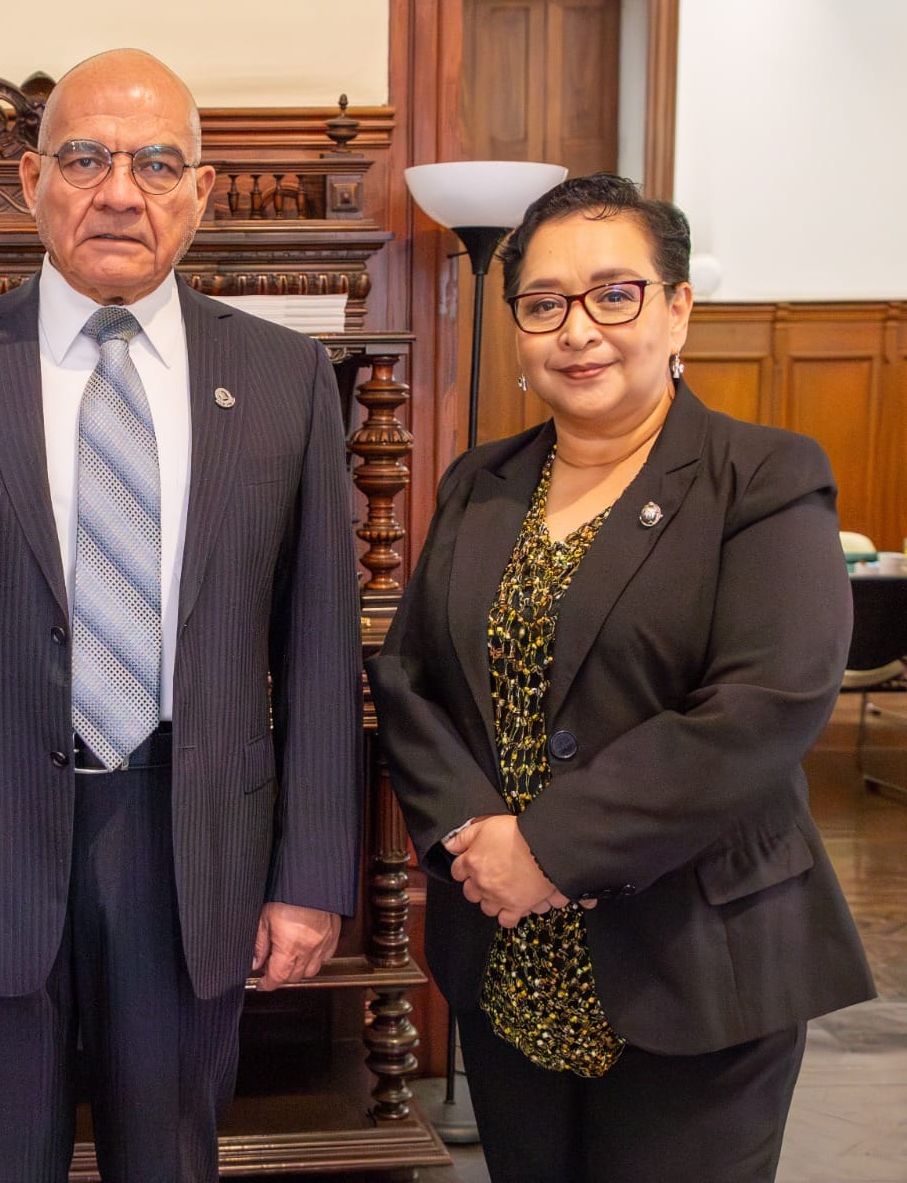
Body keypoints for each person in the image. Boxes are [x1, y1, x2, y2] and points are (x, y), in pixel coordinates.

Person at [0, 48, 362, 1183]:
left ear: (201, 193)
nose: (122, 190)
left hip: (194, 846)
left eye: (159, 162)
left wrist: (312, 870)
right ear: (30, 181)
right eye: (86, 158)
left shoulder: (281, 377)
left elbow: (317, 651)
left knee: (169, 1159)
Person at [368, 173, 874, 1182]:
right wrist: (473, 834)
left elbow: (763, 706)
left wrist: (549, 849)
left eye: (614, 293)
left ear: (677, 306)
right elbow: (410, 676)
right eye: (543, 304)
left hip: (695, 956)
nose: (577, 330)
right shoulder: (483, 480)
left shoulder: (762, 474)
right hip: (508, 950)